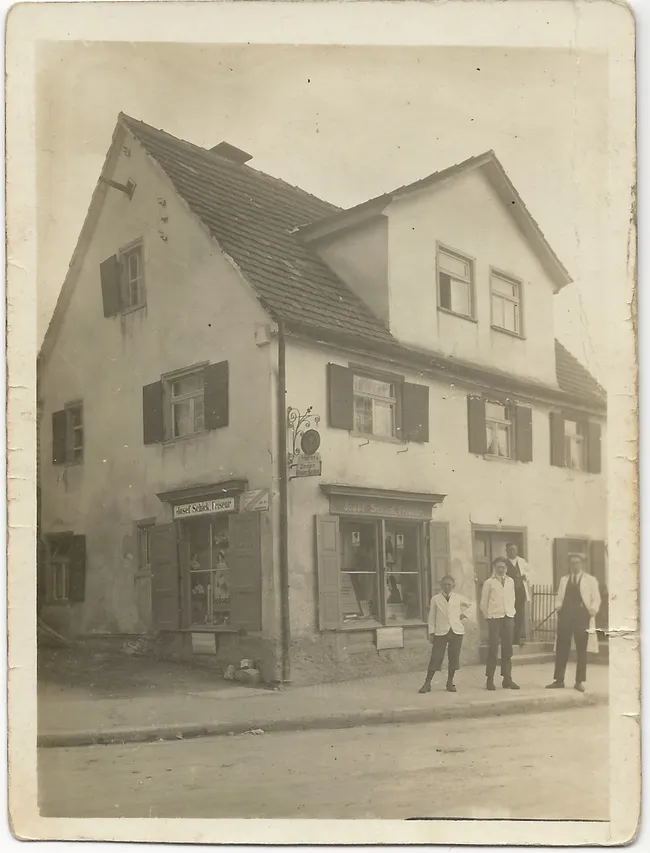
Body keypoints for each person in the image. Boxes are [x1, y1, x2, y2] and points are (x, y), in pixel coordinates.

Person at [546, 553, 601, 692]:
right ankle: (559, 680)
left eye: (577, 562)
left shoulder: (590, 580)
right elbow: (559, 597)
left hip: (582, 618)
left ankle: (579, 681)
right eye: (572, 563)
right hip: (566, 617)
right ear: (569, 565)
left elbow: (596, 598)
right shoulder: (564, 580)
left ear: (582, 564)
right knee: (561, 648)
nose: (575, 565)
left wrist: (592, 610)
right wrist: (558, 608)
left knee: (582, 649)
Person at [419, 575, 472, 693]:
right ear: (441, 585)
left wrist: (464, 615)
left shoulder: (458, 598)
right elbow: (431, 616)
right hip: (441, 631)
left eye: (449, 584)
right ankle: (427, 683)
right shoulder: (435, 599)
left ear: (453, 585)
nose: (447, 587)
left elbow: (471, 604)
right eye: (444, 584)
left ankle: (450, 682)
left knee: (454, 657)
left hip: (456, 630)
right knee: (436, 656)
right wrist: (431, 632)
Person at [480, 557, 520, 690]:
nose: (501, 569)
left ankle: (507, 678)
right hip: (494, 618)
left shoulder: (510, 581)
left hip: (508, 617)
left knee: (507, 649)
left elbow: (512, 598)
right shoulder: (489, 583)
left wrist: (511, 612)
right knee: (493, 648)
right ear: (494, 568)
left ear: (506, 568)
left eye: (503, 567)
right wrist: (488, 617)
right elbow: (483, 602)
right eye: (498, 567)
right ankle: (490, 679)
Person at [505, 542, 534, 647]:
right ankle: (508, 638)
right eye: (510, 549)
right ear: (506, 551)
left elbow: (530, 572)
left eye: (514, 549)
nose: (512, 551)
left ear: (517, 550)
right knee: (508, 615)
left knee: (519, 615)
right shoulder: (504, 562)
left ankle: (517, 639)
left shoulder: (522, 562)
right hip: (507, 594)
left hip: (520, 592)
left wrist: (525, 576)